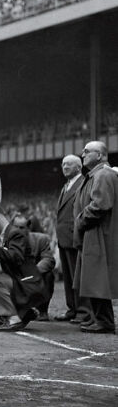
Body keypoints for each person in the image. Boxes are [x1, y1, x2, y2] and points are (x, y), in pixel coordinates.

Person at [73, 141, 118, 334]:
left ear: (99, 155)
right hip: (94, 232)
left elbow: (101, 205)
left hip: (98, 232)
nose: (83, 154)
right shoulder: (97, 175)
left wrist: (81, 219)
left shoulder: (103, 174)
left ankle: (105, 321)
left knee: (97, 278)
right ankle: (100, 318)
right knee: (94, 278)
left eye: (87, 151)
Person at [0, 207, 45, 332]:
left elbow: (16, 258)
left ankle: (14, 318)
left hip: (27, 283)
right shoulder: (6, 234)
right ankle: (25, 311)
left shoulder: (15, 233)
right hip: (21, 280)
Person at [54, 155, 91, 323]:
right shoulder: (66, 186)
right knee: (68, 276)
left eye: (69, 164)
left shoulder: (83, 183)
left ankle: (83, 311)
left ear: (78, 167)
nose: (64, 167)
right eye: (63, 164)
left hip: (75, 236)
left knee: (78, 276)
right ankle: (72, 308)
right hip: (64, 237)